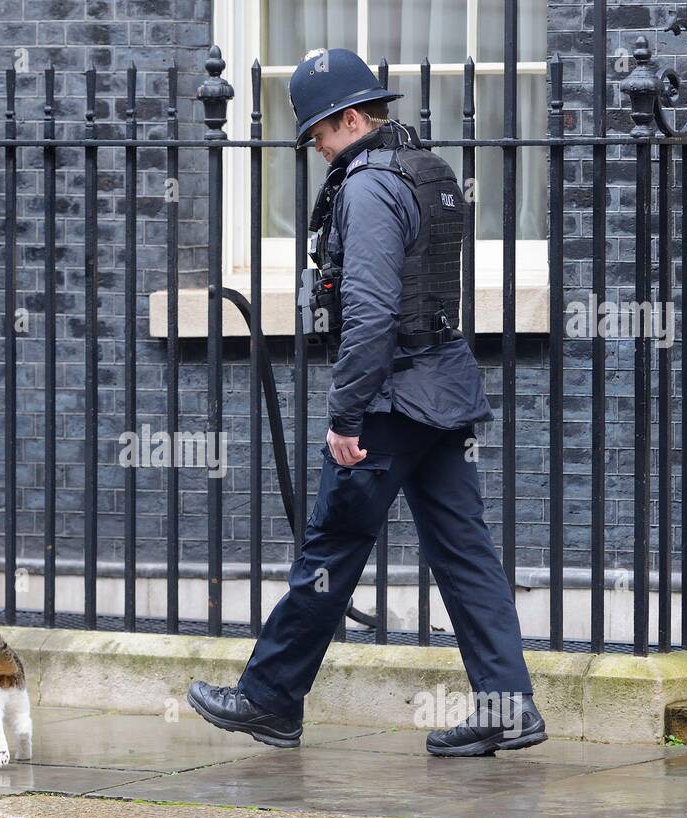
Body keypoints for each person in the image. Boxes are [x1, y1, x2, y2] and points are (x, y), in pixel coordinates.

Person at [186, 47, 546, 758]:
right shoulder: (426, 169)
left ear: (351, 118)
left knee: (331, 546)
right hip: (440, 387)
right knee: (464, 551)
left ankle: (269, 699)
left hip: (389, 403)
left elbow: (373, 309)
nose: (316, 147)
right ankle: (508, 706)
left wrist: (345, 418)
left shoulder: (369, 187)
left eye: (319, 131)